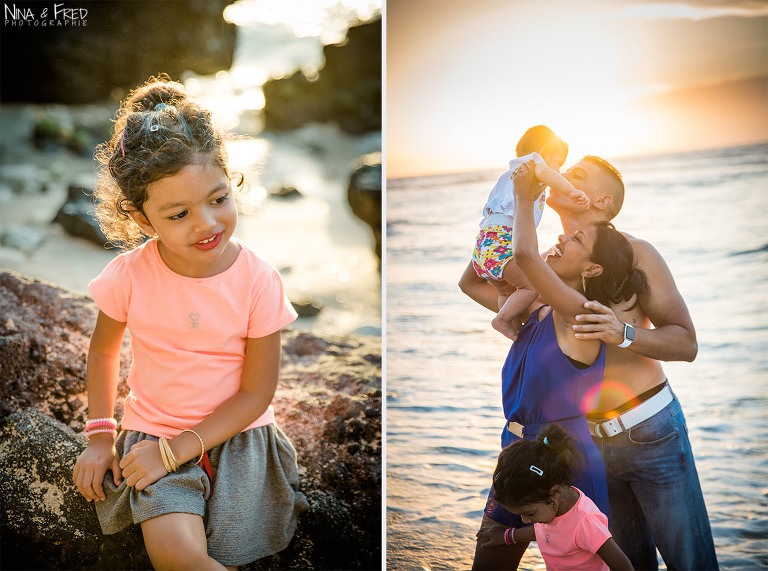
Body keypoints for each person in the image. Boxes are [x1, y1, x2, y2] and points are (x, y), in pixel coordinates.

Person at [72, 76, 307, 570]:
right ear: (141, 219)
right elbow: (103, 351)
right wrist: (99, 436)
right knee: (176, 554)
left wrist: (179, 450)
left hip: (239, 442)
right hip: (153, 438)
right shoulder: (130, 275)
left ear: (230, 178)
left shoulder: (258, 279)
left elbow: (255, 394)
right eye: (178, 213)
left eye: (218, 198)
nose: (207, 223)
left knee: (232, 550)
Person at [462, 156, 718, 569]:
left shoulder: (634, 253)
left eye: (575, 175)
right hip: (584, 445)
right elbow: (477, 279)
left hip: (649, 430)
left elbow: (686, 344)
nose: (560, 177)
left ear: (600, 200)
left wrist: (624, 333)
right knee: (627, 561)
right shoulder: (553, 266)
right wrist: (502, 214)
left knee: (689, 560)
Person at [473, 159, 648, 569]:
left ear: (592, 268)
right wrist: (493, 219)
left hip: (566, 465)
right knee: (487, 558)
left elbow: (525, 255)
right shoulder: (535, 308)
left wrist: (523, 197)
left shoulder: (580, 312)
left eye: (576, 240)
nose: (562, 240)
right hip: (515, 452)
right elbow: (471, 279)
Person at [470, 125, 589, 339]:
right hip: (501, 241)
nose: (559, 172)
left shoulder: (512, 174)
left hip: (483, 247)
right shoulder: (535, 164)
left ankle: (512, 324)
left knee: (506, 291)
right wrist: (572, 191)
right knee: (532, 284)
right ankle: (503, 320)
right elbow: (547, 174)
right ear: (543, 153)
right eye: (558, 163)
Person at [477, 424, 633, 571]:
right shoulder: (549, 508)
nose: (524, 521)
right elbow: (546, 533)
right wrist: (507, 537)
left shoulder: (585, 522)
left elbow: (622, 565)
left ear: (554, 493)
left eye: (529, 513)